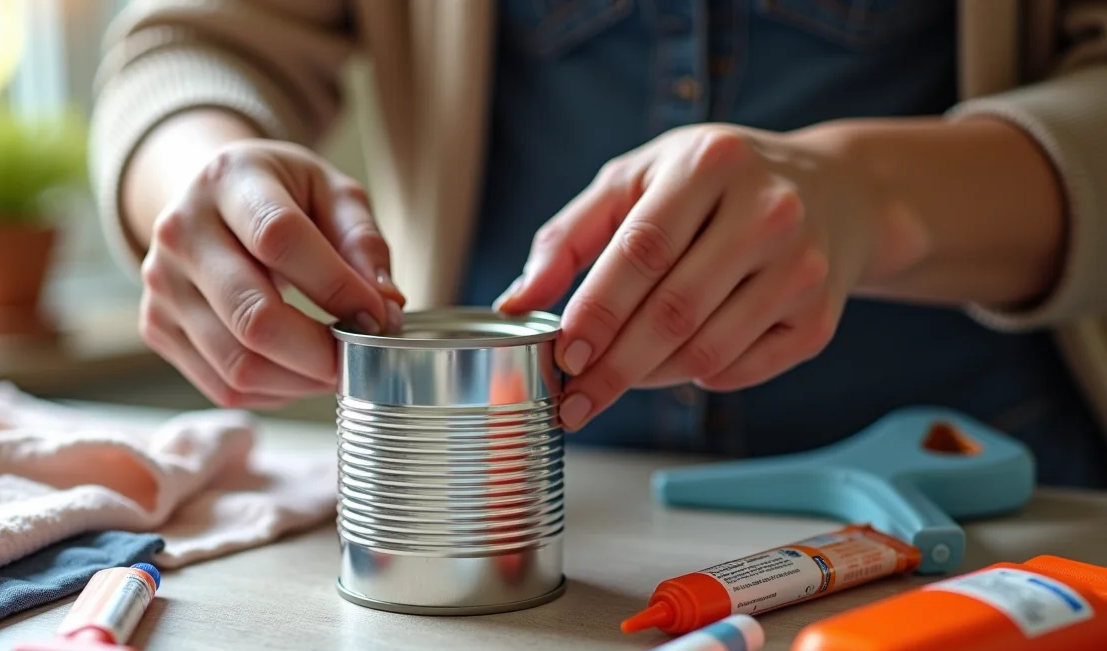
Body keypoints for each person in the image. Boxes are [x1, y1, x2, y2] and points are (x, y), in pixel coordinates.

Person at [89, 1, 1107, 488]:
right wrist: (199, 177)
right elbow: (190, 41)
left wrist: (866, 195)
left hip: (992, 499)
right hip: (531, 518)